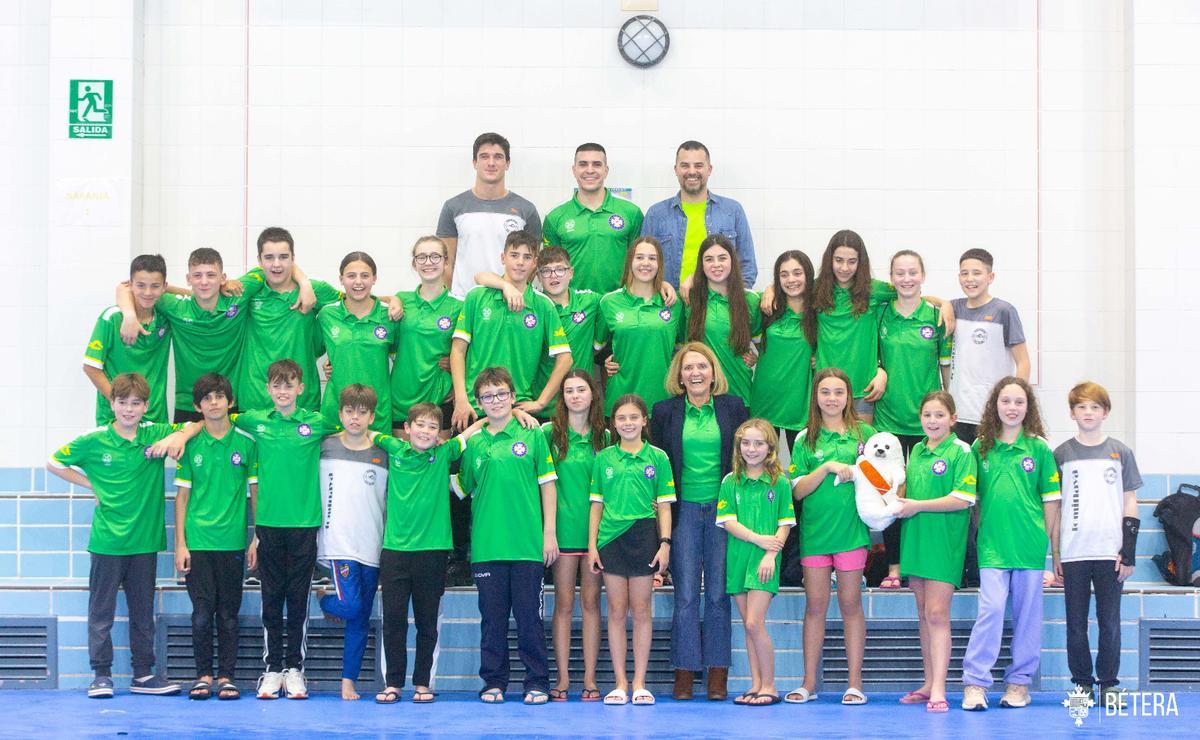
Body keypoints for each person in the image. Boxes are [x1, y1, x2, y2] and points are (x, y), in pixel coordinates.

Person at [47, 372, 195, 699]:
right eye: (122, 402)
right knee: (101, 612)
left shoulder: (154, 432)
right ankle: (101, 675)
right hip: (107, 542)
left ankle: (143, 674)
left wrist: (178, 437)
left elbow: (194, 425)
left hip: (144, 543)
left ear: (146, 406)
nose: (129, 409)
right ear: (111, 403)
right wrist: (91, 485)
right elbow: (54, 462)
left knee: (143, 613)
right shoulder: (95, 439)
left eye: (136, 403)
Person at [453, 367, 559, 705]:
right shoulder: (474, 444)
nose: (495, 401)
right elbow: (459, 488)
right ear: (479, 402)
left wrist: (549, 534)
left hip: (528, 545)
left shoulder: (533, 435)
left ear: (513, 398)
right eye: (487, 396)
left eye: (501, 394)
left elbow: (548, 486)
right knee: (493, 621)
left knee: (530, 620)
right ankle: (493, 682)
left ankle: (537, 682)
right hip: (487, 547)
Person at [650, 342, 749, 702]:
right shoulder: (664, 412)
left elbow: (747, 457)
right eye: (689, 368)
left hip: (724, 513)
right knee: (687, 595)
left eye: (702, 367)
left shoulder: (733, 407)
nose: (696, 373)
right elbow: (658, 468)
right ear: (679, 375)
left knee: (720, 596)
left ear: (713, 372)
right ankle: (685, 671)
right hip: (684, 513)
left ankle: (718, 672)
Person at [372, 404, 488, 704]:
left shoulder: (444, 454)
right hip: (395, 551)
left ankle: (423, 683)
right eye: (420, 425)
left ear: (440, 434)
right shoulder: (393, 447)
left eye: (432, 427)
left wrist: (509, 413)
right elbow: (366, 431)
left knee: (427, 623)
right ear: (407, 428)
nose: (425, 431)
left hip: (433, 553)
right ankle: (393, 683)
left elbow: (474, 430)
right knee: (393, 621)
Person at [233, 359, 333, 700]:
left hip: (304, 525)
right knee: (271, 599)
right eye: (276, 385)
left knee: (297, 599)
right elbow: (214, 420)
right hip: (268, 526)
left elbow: (354, 426)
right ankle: (272, 668)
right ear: (268, 389)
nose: (282, 391)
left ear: (301, 388)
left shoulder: (316, 422)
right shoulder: (256, 421)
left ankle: (295, 670)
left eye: (289, 385)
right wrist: (185, 430)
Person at [960, 377, 1060, 711]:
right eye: (1006, 401)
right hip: (992, 547)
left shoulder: (1040, 448)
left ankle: (1019, 683)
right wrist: (981, 533)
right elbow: (973, 500)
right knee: (990, 611)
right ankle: (975, 683)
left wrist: (1047, 546)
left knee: (1027, 616)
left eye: (1019, 402)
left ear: (1028, 407)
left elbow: (1051, 502)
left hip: (1030, 548)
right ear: (995, 405)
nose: (1012, 408)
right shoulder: (980, 448)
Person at [785, 368, 874, 706]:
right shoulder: (805, 438)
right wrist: (825, 468)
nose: (832, 398)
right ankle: (808, 682)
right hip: (815, 536)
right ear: (816, 396)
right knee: (815, 607)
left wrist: (859, 474)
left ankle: (854, 683)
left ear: (848, 397)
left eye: (839, 392)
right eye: (825, 392)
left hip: (851, 533)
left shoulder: (865, 434)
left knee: (851, 604)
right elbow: (799, 492)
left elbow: (882, 480)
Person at [1052, 381, 1142, 710]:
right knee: (1075, 624)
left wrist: (1128, 550)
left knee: (1109, 623)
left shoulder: (1121, 452)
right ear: (1072, 412)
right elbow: (1057, 508)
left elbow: (1130, 501)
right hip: (1074, 554)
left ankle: (1109, 684)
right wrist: (1057, 555)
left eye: (1094, 407)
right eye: (1081, 407)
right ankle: (1082, 684)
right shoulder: (1060, 455)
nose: (1088, 413)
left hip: (1110, 553)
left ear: (1105, 412)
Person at [173, 373, 258, 701]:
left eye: (219, 396)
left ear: (230, 401)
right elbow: (181, 499)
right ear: (197, 406)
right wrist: (181, 544)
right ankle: (203, 676)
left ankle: (226, 677)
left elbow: (255, 495)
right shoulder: (190, 445)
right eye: (207, 398)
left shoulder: (247, 443)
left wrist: (257, 538)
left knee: (228, 614)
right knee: (201, 614)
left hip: (233, 543)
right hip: (198, 544)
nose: (214, 402)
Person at [892, 391, 976, 713]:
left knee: (938, 614)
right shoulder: (915, 452)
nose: (932, 421)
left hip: (944, 543)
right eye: (927, 415)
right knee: (924, 613)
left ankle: (940, 687)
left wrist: (917, 506)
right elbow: (905, 495)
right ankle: (929, 682)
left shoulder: (961, 451)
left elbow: (963, 498)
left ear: (952, 418)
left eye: (939, 415)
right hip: (915, 540)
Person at [589, 394, 674, 706]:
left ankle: (639, 682)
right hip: (610, 539)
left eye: (633, 418)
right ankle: (620, 683)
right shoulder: (604, 459)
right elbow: (596, 506)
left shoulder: (659, 458)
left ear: (644, 421)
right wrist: (592, 546)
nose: (627, 423)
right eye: (621, 418)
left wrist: (664, 544)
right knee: (615, 610)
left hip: (643, 537)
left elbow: (664, 506)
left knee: (641, 611)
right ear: (614, 423)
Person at [874, 250, 951, 590]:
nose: (906, 279)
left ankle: (927, 565)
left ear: (923, 275)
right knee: (890, 494)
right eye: (899, 273)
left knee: (923, 494)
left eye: (912, 272)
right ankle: (893, 567)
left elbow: (946, 367)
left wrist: (949, 409)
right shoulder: (881, 315)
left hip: (928, 423)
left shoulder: (936, 316)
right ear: (892, 278)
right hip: (888, 419)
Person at [115, 248, 258, 423]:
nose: (204, 281)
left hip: (228, 401)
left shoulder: (237, 296)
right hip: (188, 404)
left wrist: (303, 284)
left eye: (211, 275)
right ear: (188, 279)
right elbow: (128, 288)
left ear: (223, 278)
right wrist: (129, 316)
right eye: (197, 276)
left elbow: (271, 265)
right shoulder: (174, 306)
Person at [450, 230, 572, 430]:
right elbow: (458, 350)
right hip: (474, 405)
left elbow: (565, 358)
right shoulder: (477, 297)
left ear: (535, 263)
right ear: (503, 258)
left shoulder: (543, 305)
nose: (520, 262)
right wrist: (461, 398)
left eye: (527, 257)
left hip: (518, 407)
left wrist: (540, 402)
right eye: (514, 255)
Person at [314, 385, 388, 701]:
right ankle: (323, 600)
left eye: (361, 412)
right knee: (353, 605)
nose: (354, 418)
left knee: (359, 616)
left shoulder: (385, 449)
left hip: (372, 544)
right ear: (340, 413)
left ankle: (348, 681)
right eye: (349, 411)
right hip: (337, 543)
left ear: (372, 415)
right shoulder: (325, 446)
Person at [716, 419, 796, 706]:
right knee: (747, 625)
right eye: (746, 443)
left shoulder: (780, 482)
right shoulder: (730, 481)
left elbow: (784, 525)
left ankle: (771, 686)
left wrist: (770, 553)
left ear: (770, 447)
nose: (752, 449)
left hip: (764, 562)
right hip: (738, 559)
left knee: (754, 622)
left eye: (759, 443)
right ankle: (755, 683)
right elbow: (728, 522)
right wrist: (756, 539)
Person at [544, 371, 609, 702]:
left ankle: (590, 679)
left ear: (593, 394)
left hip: (596, 537)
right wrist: (549, 532)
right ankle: (564, 678)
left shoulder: (606, 437)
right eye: (568, 390)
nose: (574, 395)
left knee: (591, 604)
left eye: (581, 389)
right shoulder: (548, 434)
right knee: (564, 605)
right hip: (563, 534)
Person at [475, 246, 600, 415]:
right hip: (543, 406)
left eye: (559, 270)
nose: (553, 275)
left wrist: (611, 357)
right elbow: (479, 276)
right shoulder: (535, 306)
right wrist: (505, 285)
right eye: (546, 271)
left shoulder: (590, 301)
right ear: (538, 276)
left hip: (581, 404)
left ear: (571, 273)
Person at [237, 227, 341, 413]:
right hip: (255, 402)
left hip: (303, 402)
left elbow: (358, 304)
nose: (276, 264)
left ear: (293, 259)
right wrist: (303, 280)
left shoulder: (316, 290)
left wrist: (394, 301)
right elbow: (211, 293)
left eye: (284, 257)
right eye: (269, 257)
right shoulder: (252, 290)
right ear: (259, 260)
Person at [641, 140, 757, 290]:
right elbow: (642, 265)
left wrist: (732, 301)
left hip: (718, 305)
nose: (691, 171)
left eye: (698, 165)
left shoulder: (732, 211)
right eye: (685, 165)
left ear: (709, 169)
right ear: (676, 170)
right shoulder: (656, 214)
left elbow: (747, 266)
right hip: (670, 306)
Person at [439, 132, 542, 298]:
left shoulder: (526, 209)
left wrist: (515, 293)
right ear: (475, 163)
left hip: (507, 303)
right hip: (464, 301)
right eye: (484, 157)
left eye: (498, 157)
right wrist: (456, 297)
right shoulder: (453, 206)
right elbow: (446, 263)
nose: (491, 163)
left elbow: (532, 264)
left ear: (507, 163)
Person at [595, 236, 686, 416]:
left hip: (663, 401)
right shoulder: (609, 302)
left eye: (652, 258)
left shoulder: (674, 304)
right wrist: (606, 360)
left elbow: (683, 350)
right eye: (639, 257)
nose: (646, 263)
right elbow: (597, 348)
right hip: (620, 401)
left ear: (660, 264)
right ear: (630, 261)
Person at [947, 248, 1029, 443]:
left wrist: (1015, 402)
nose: (970, 279)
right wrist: (944, 304)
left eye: (977, 273)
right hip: (959, 413)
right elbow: (927, 300)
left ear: (990, 277)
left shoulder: (1004, 311)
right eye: (964, 273)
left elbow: (1024, 362)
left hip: (992, 414)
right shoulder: (955, 307)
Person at [542, 143, 645, 294]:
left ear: (606, 170)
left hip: (619, 304)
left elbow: (639, 262)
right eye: (583, 164)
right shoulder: (555, 218)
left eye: (596, 164)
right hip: (573, 307)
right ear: (574, 170)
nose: (590, 170)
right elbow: (551, 270)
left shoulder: (632, 213)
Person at [84, 254, 171, 425]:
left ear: (164, 287)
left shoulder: (166, 317)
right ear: (130, 285)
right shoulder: (111, 318)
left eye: (155, 286)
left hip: (155, 420)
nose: (147, 292)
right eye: (140, 285)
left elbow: (195, 296)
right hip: (114, 420)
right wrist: (122, 405)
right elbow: (91, 367)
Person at [318, 252, 399, 433]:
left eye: (365, 275)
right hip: (336, 412)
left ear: (374, 279)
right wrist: (332, 363)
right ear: (341, 279)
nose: (358, 282)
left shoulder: (390, 315)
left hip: (376, 413)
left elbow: (403, 359)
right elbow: (316, 350)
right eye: (351, 276)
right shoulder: (326, 315)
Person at [389, 236, 463, 433]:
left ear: (446, 262)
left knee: (437, 462)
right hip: (401, 397)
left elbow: (469, 353)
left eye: (435, 256)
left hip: (439, 397)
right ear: (414, 263)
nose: (428, 262)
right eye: (421, 257)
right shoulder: (402, 300)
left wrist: (458, 387)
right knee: (403, 462)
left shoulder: (459, 306)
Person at [750, 250, 818, 447]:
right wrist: (748, 355)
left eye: (797, 273)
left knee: (801, 466)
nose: (791, 280)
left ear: (808, 274)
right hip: (766, 397)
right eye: (784, 274)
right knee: (761, 465)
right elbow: (742, 331)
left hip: (800, 402)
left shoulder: (819, 310)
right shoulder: (767, 305)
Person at [684, 234, 762, 403]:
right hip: (701, 397)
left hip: (740, 393)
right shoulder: (689, 300)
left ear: (732, 261)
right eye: (709, 259)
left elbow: (764, 346)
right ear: (701, 264)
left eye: (722, 258)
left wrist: (757, 358)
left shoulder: (751, 300)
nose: (716, 264)